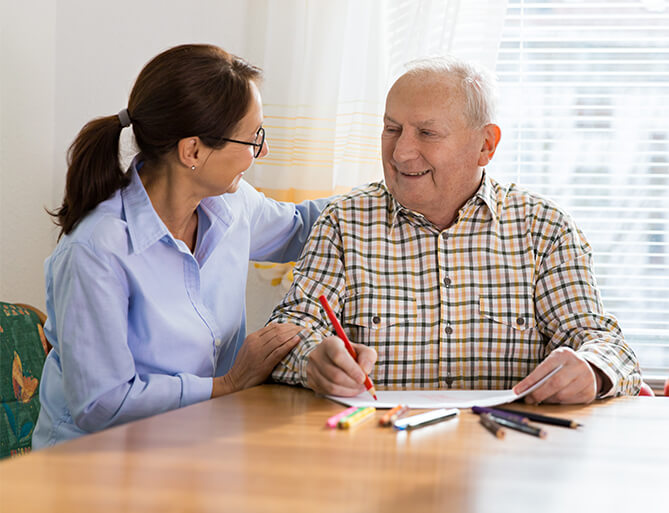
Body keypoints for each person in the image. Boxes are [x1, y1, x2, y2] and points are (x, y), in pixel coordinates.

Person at [269, 56, 641, 404]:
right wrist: (312, 360)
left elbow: (605, 343)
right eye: (392, 129)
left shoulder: (545, 230)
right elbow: (286, 335)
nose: (400, 153)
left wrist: (591, 370)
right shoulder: (342, 222)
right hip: (374, 449)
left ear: (485, 145)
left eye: (427, 133)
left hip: (505, 453)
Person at [33, 44, 329, 448]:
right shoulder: (96, 249)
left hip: (194, 447)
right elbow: (102, 402)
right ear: (193, 151)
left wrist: (390, 189)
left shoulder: (230, 204)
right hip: (95, 466)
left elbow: (302, 227)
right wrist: (227, 384)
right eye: (252, 138)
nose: (261, 150)